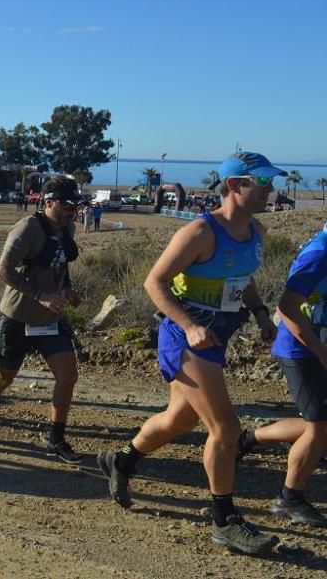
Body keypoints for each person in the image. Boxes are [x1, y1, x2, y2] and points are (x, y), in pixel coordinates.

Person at [97, 152, 285, 554]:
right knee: (226, 429)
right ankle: (224, 520)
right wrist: (190, 325)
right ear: (235, 186)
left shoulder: (256, 231)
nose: (272, 190)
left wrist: (261, 314)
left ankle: (122, 461)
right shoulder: (201, 232)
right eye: (263, 183)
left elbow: (243, 280)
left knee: (178, 420)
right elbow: (154, 283)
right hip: (185, 341)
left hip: (216, 339)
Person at [0, 177, 86, 464]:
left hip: (50, 320)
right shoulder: (26, 229)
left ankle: (55, 438)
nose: (73, 210)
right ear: (49, 202)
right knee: (3, 379)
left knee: (68, 375)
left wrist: (66, 289)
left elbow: (60, 263)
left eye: (76, 205)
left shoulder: (66, 228)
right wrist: (40, 294)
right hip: (18, 318)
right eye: (68, 204)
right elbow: (3, 271)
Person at [236, 222, 327, 524]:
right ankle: (290, 497)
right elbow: (287, 307)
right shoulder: (319, 254)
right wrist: (319, 350)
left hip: (316, 346)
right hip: (301, 350)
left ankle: (248, 440)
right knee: (318, 426)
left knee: (316, 422)